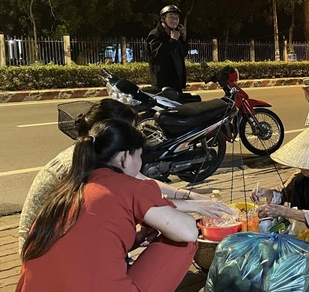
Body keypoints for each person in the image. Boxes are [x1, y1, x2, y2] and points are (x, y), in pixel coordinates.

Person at [15, 120, 198, 292]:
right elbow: (187, 231)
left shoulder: (64, 191)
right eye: (139, 156)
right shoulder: (128, 186)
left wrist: (135, 238)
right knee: (185, 241)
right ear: (124, 157)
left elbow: (85, 244)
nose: (140, 163)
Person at [18, 99, 233, 252]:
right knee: (177, 243)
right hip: (44, 247)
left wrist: (190, 197)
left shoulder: (93, 155)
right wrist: (195, 205)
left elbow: (143, 184)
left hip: (47, 250)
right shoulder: (87, 166)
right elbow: (145, 202)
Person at [146, 4, 188, 92]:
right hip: (163, 83)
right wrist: (172, 41)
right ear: (163, 18)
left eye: (177, 18)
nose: (175, 21)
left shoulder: (175, 34)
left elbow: (183, 54)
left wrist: (184, 38)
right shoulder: (155, 34)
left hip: (177, 82)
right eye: (171, 17)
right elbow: (158, 55)